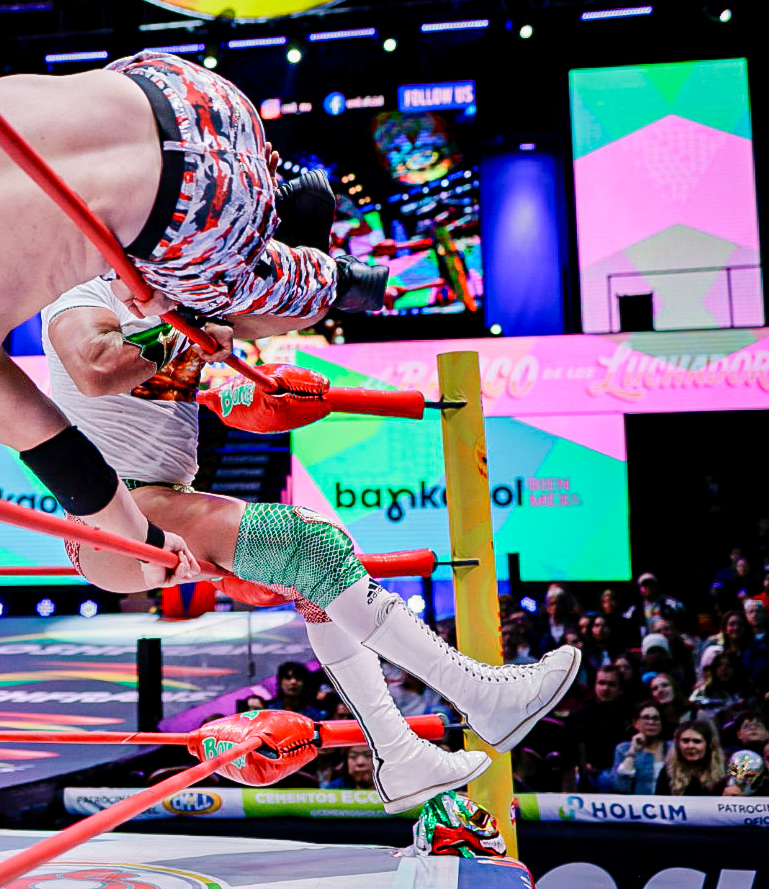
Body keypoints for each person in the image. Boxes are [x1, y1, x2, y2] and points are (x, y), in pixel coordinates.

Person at [0, 53, 389, 565]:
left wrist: (145, 549)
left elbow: (68, 463)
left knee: (238, 312)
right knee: (161, 284)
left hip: (195, 212)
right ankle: (269, 206)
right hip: (187, 89)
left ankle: (337, 275)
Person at [38, 274, 579, 813]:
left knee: (325, 563)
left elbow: (253, 317)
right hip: (112, 518)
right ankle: (480, 695)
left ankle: (399, 753)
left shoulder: (166, 290)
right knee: (310, 544)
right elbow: (97, 367)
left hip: (158, 500)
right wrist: (190, 331)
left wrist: (330, 282)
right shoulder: (78, 295)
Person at [608, 703, 669, 794]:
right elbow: (619, 786)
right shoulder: (623, 748)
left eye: (656, 718)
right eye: (646, 718)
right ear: (636, 723)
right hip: (637, 801)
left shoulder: (672, 747)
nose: (651, 722)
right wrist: (632, 751)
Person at [656, 719, 725, 796]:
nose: (690, 746)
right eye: (685, 741)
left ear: (709, 745)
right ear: (678, 745)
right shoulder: (668, 772)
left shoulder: (726, 769)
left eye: (696, 741)